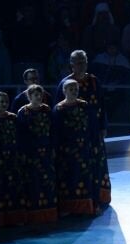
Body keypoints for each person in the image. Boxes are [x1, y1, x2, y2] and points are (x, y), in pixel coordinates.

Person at [55, 50, 111, 212]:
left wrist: (103, 127)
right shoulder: (64, 84)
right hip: (72, 137)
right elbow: (58, 111)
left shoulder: (94, 81)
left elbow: (102, 105)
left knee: (97, 164)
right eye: (78, 62)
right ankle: (71, 204)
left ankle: (98, 197)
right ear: (71, 65)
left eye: (84, 62)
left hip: (93, 133)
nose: (82, 65)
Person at [53, 80, 95, 216]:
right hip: (66, 149)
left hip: (82, 147)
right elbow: (56, 131)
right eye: (71, 89)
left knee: (84, 176)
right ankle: (66, 208)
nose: (74, 91)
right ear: (64, 91)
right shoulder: (59, 109)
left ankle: (85, 207)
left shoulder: (84, 106)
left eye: (76, 89)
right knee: (67, 177)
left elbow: (91, 126)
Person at [17, 84, 57, 224]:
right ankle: (31, 214)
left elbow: (53, 131)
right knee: (32, 181)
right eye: (35, 95)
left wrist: (52, 148)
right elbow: (20, 135)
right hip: (30, 152)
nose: (38, 97)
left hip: (45, 151)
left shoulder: (47, 110)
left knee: (47, 180)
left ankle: (49, 211)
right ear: (29, 96)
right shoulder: (23, 112)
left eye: (40, 95)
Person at [0, 91, 23, 227]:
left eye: (6, 102)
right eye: (1, 102)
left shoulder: (14, 118)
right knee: (0, 188)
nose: (4, 104)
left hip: (12, 158)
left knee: (14, 187)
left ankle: (15, 218)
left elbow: (19, 137)